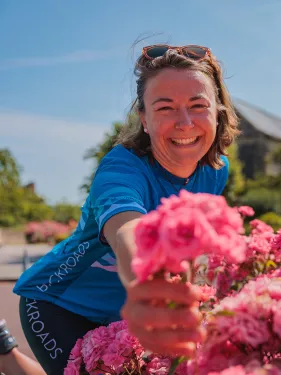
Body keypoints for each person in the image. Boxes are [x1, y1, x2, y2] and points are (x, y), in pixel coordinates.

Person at [11, 44, 240, 375]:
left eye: (197, 105)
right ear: (144, 119)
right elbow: (128, 230)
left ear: (218, 111)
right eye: (165, 108)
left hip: (124, 310)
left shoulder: (216, 171)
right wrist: (148, 291)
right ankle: (9, 355)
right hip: (57, 303)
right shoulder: (121, 169)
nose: (185, 122)